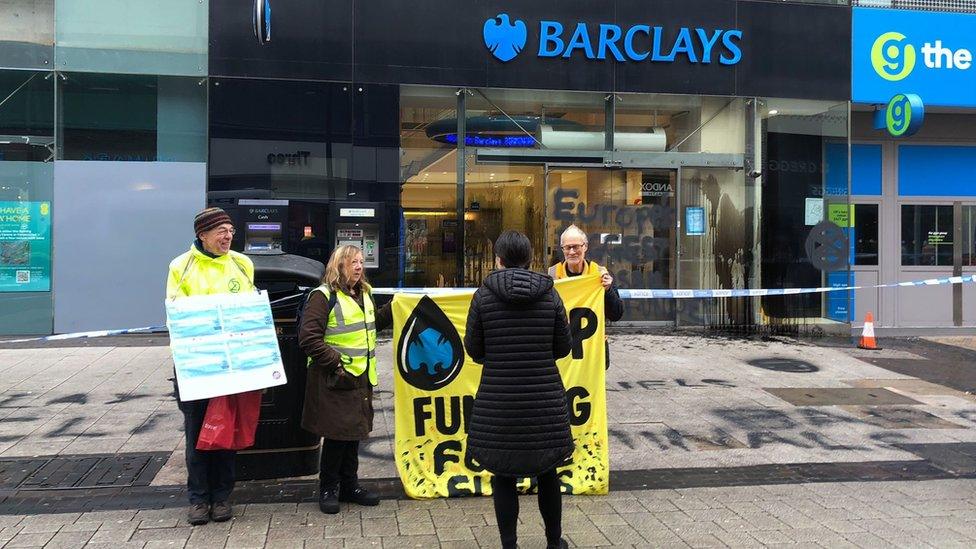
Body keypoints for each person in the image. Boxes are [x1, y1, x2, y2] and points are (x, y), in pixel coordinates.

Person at [464, 230, 574, 549]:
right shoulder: (550, 294)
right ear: (530, 259)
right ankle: (554, 542)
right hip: (545, 401)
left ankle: (509, 545)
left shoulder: (483, 296)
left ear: (498, 259)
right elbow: (564, 346)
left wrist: (499, 360)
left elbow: (473, 348)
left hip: (499, 401)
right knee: (548, 473)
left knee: (503, 474)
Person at [166, 207, 255, 526]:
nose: (228, 236)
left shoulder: (243, 265)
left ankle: (222, 498)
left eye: (231, 230)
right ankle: (198, 500)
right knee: (198, 435)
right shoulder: (181, 266)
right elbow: (176, 318)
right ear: (202, 234)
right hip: (197, 367)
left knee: (226, 433)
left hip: (232, 367)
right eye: (221, 231)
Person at [299, 244, 392, 514]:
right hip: (336, 378)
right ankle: (329, 488)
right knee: (337, 436)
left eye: (361, 262)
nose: (359, 267)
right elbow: (308, 338)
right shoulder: (323, 296)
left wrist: (396, 307)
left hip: (360, 377)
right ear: (339, 265)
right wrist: (336, 363)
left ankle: (350, 486)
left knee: (353, 434)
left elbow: (372, 326)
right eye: (353, 262)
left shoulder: (364, 293)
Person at [548, 224, 624, 367]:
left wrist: (608, 291)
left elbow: (616, 314)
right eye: (567, 247)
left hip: (593, 349)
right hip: (562, 349)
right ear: (562, 249)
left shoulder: (600, 274)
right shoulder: (552, 275)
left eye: (576, 246)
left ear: (585, 247)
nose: (571, 252)